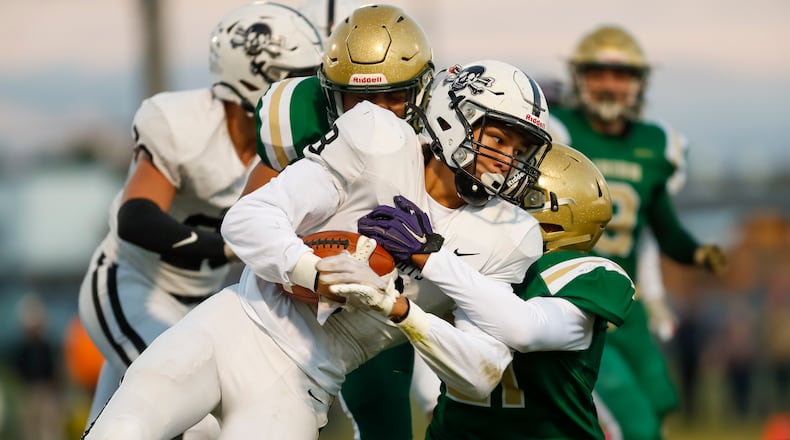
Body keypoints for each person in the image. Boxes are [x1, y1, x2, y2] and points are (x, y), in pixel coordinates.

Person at [81, 58, 553, 439]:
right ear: (454, 118)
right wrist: (311, 270)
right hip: (234, 323)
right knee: (123, 429)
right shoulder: (378, 138)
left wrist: (400, 309)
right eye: (497, 138)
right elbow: (247, 219)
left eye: (519, 150)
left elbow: (480, 371)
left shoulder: (508, 235)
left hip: (304, 380)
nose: (506, 161)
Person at [77, 2, 322, 437]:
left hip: (203, 300)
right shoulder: (182, 123)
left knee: (116, 426)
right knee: (197, 418)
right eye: (296, 76)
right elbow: (135, 217)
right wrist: (225, 245)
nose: (309, 91)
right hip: (132, 285)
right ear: (254, 77)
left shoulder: (290, 144)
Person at [336, 142, 634, 439]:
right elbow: (426, 337)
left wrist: (432, 259)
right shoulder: (470, 258)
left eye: (513, 196)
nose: (492, 201)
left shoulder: (590, 273)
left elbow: (526, 329)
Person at [244, 5, 433, 439]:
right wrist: (305, 267)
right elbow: (251, 214)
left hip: (412, 286)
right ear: (332, 94)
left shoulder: (443, 128)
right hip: (315, 297)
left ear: (422, 93)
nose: (378, 114)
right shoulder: (301, 118)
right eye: (362, 99)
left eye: (393, 97)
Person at [548, 24, 727, 439]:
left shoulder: (656, 143)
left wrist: (697, 253)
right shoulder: (558, 134)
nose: (610, 85)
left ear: (639, 82)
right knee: (633, 420)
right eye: (598, 73)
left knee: (661, 399)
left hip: (629, 302)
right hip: (579, 299)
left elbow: (664, 226)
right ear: (579, 78)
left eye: (621, 75)